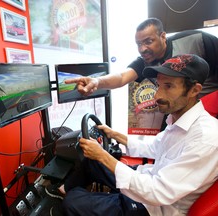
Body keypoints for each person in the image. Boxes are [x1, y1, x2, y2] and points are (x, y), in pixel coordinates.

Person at [60, 54, 218, 216]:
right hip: (147, 180)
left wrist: (103, 156)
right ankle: (63, 190)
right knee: (91, 162)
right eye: (159, 85)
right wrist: (114, 134)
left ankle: (69, 201)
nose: (157, 95)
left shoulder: (206, 138)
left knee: (73, 202)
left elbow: (158, 193)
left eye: (168, 86)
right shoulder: (178, 120)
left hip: (155, 208)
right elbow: (154, 146)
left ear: (194, 90)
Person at [65, 18, 218, 98]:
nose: (142, 49)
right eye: (139, 44)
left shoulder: (197, 40)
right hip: (179, 111)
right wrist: (97, 81)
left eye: (148, 42)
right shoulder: (145, 61)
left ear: (163, 36)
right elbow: (121, 77)